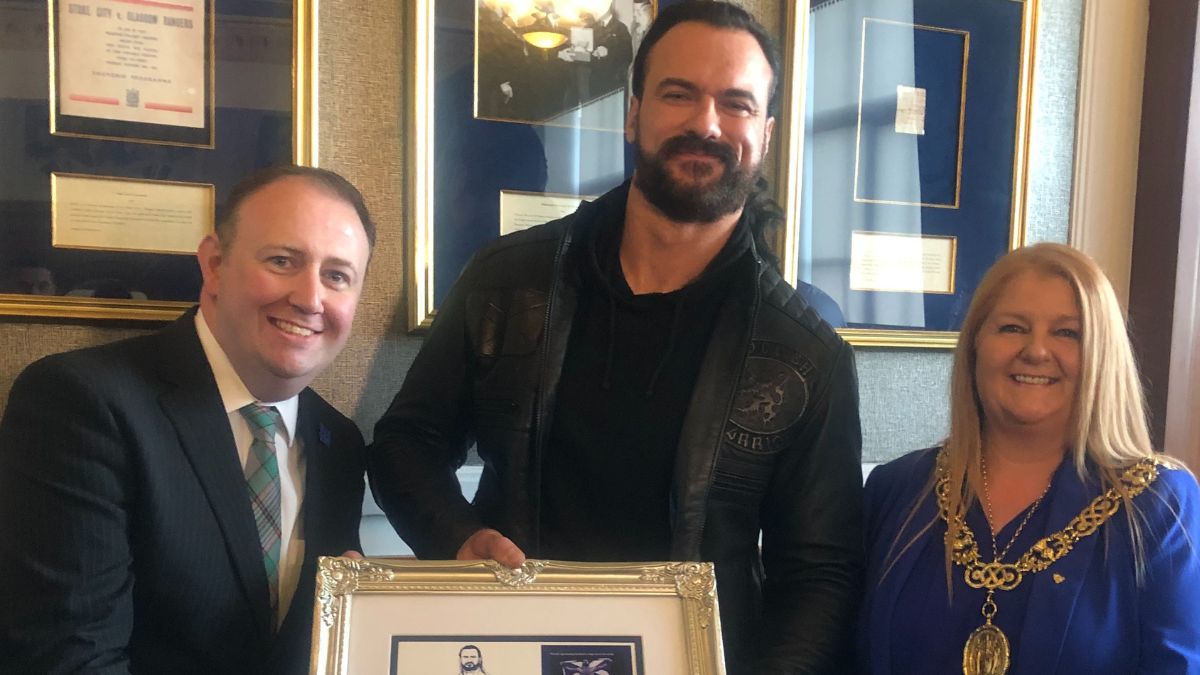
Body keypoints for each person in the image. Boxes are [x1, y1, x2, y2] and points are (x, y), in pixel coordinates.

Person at [369, 3, 863, 672]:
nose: (706, 123)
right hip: (504, 649)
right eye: (678, 93)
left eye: (736, 103)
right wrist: (457, 537)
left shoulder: (809, 356)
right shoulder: (505, 281)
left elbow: (819, 578)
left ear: (766, 133)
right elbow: (407, 443)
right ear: (633, 113)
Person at [0, 165, 375, 674]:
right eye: (283, 260)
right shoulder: (81, 404)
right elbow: (69, 658)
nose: (310, 299)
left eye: (337, 276)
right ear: (215, 265)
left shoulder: (341, 445)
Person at [859, 243, 1200, 674]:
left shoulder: (1156, 504)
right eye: (1013, 328)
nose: (1036, 351)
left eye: (1067, 333)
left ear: (1102, 355)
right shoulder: (897, 488)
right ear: (975, 346)